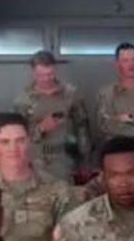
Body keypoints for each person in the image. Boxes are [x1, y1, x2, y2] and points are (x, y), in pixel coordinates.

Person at [0, 113, 80, 241]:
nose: (13, 149)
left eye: (20, 141)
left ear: (29, 142)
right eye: (5, 142)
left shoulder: (57, 190)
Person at [13, 50, 91, 181]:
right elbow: (16, 135)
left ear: (56, 69)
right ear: (33, 73)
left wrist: (85, 162)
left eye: (50, 74)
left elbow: (83, 129)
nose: (46, 79)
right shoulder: (23, 99)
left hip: (64, 159)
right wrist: (40, 129)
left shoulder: (70, 94)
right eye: (41, 75)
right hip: (35, 160)